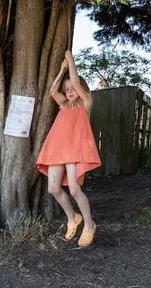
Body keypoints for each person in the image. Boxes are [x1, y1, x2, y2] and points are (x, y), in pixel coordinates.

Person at [36, 50, 102, 247]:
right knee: (53, 188)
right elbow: (52, 91)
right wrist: (61, 70)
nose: (70, 91)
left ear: (81, 89)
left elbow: (74, 79)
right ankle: (73, 218)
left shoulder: (85, 103)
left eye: (74, 88)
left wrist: (71, 62)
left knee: (74, 188)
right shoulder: (64, 104)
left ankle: (89, 224)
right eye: (68, 89)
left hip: (74, 151)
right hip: (58, 151)